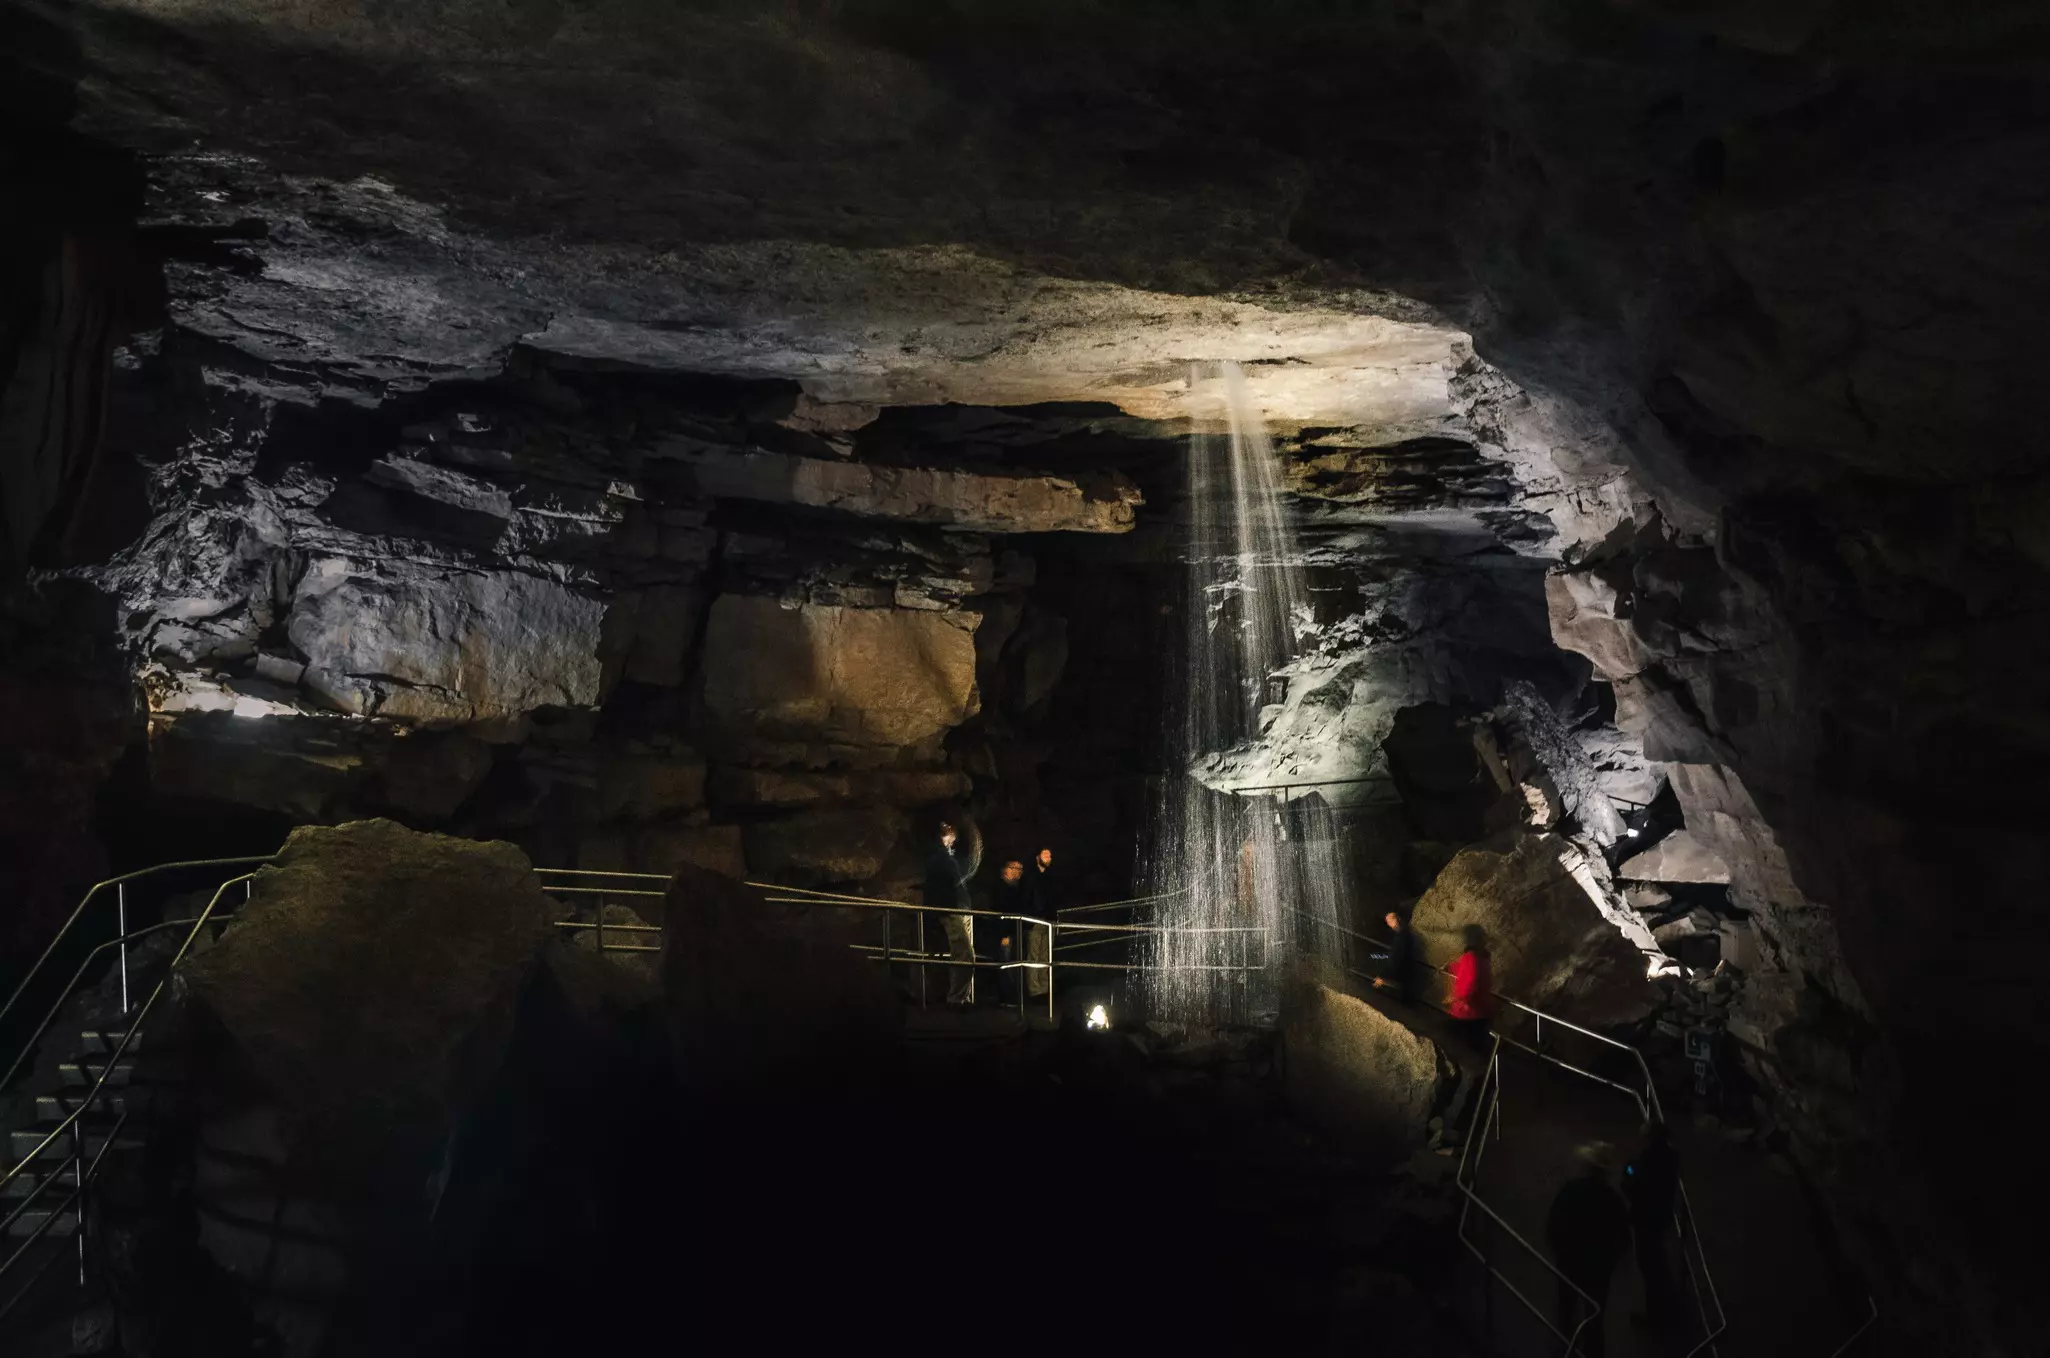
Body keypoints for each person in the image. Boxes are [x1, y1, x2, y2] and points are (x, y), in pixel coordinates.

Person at [1546, 1141, 1632, 1357]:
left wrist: (1559, 1249)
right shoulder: (1612, 1199)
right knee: (1595, 1315)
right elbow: (1623, 1237)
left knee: (1566, 1308)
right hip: (1598, 1266)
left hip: (1570, 1260)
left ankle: (1565, 1348)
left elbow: (1554, 1223)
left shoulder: (1571, 1190)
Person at [1623, 1119, 1683, 1329]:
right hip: (1660, 1216)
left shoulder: (1645, 1160)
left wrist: (1629, 1169)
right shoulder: (1671, 1156)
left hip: (1645, 1218)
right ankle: (1667, 1308)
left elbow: (1630, 1182)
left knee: (1650, 1266)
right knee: (1657, 1262)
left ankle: (1657, 1317)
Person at [924, 822, 975, 1007]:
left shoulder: (943, 856)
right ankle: (957, 998)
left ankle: (962, 996)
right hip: (951, 909)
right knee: (964, 954)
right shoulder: (939, 856)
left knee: (963, 954)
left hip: (959, 908)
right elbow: (958, 873)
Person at [1447, 923, 1498, 1052]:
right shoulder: (1484, 956)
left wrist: (1454, 999)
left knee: (1464, 1048)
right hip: (1482, 1009)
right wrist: (1452, 966)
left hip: (1469, 1012)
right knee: (1479, 1047)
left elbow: (1470, 983)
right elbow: (1471, 973)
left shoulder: (1470, 957)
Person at [993, 859, 1031, 1007]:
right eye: (1015, 868)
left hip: (1013, 931)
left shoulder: (1015, 888)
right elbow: (1001, 913)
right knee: (1006, 964)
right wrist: (1004, 935)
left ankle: (1011, 996)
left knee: (1011, 963)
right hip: (1006, 932)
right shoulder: (1002, 888)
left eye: (1020, 869)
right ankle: (1006, 997)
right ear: (1006, 869)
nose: (1019, 872)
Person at [1023, 847, 1056, 1000]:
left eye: (1049, 855)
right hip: (1035, 919)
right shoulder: (1030, 875)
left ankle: (1044, 989)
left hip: (1049, 919)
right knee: (1034, 956)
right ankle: (1035, 990)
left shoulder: (1052, 875)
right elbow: (1028, 896)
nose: (1048, 857)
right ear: (1038, 857)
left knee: (1046, 956)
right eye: (1045, 855)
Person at [1370, 909, 1418, 1004]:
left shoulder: (1401, 936)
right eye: (1388, 921)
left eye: (1390, 920)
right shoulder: (1405, 933)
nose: (1389, 923)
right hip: (1407, 972)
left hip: (1403, 974)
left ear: (1397, 920)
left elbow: (1396, 959)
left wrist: (1383, 977)